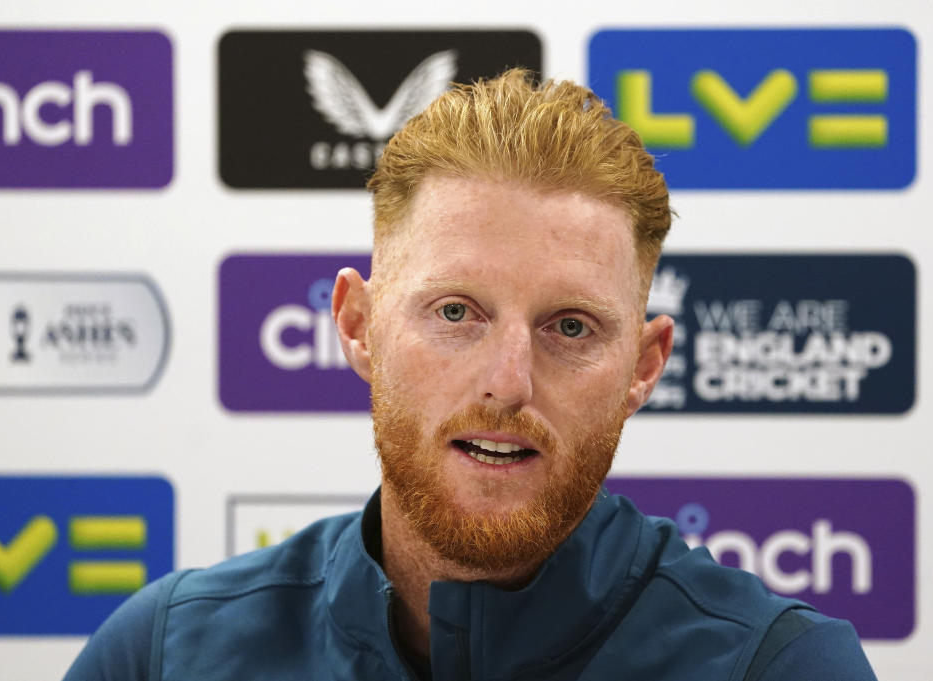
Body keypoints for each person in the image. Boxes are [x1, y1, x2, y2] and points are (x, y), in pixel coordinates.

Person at [64, 69, 878, 681]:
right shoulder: (163, 654)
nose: (508, 380)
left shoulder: (778, 668)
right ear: (358, 327)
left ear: (644, 366)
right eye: (456, 312)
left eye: (570, 326)